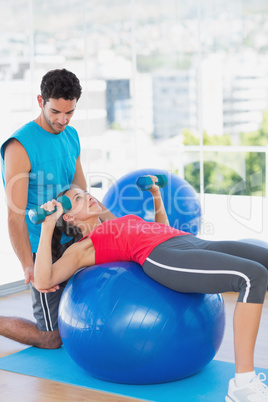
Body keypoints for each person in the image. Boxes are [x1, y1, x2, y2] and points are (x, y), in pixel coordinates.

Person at [34, 176, 268, 402]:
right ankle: (243, 385)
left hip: (188, 241)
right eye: (77, 199)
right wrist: (47, 225)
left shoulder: (114, 223)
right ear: (69, 217)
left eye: (85, 193)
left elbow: (160, 228)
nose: (87, 197)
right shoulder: (82, 247)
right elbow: (44, 281)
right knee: (252, 277)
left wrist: (156, 194)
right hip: (164, 257)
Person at [0, 68, 114, 350]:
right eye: (55, 112)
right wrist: (28, 264)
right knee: (51, 338)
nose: (62, 120)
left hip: (74, 239)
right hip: (44, 249)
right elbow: (15, 215)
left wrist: (110, 225)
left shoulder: (71, 135)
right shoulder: (20, 146)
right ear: (40, 101)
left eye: (70, 113)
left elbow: (82, 190)